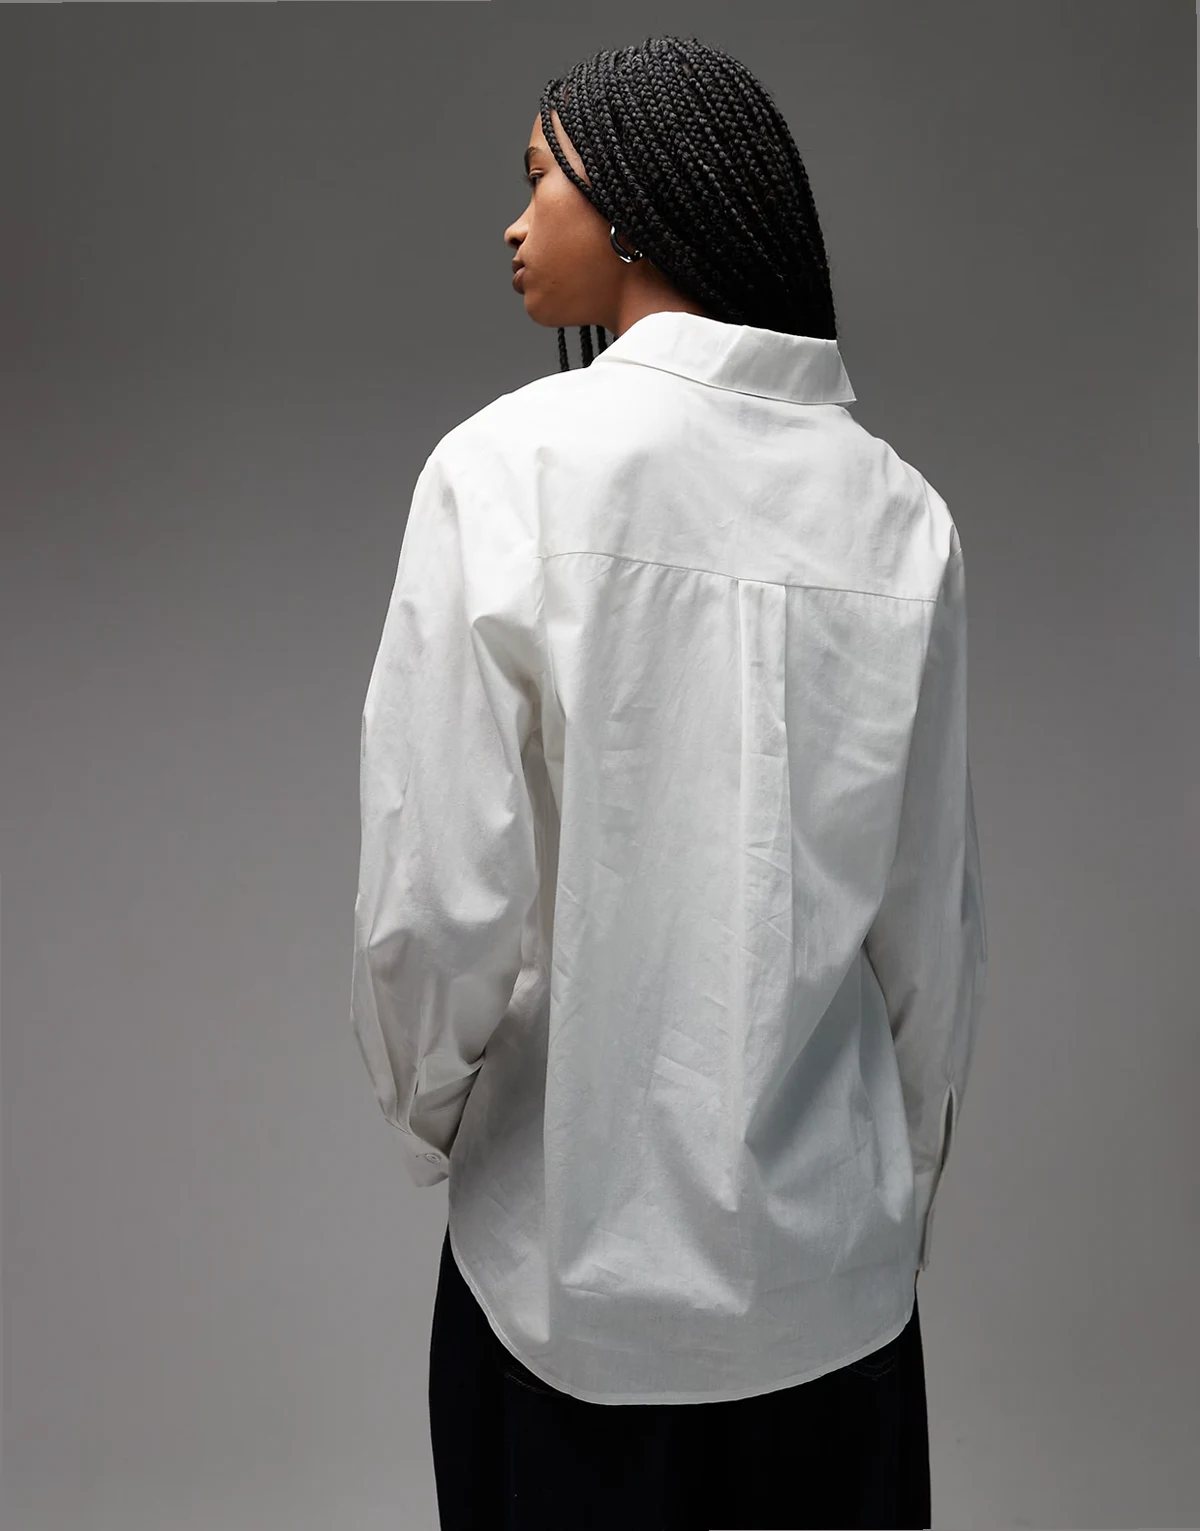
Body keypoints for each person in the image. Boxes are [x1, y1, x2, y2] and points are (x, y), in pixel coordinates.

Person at [351, 32, 987, 1531]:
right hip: (836, 1304)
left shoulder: (505, 471)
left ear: (636, 205)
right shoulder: (901, 515)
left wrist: (439, 1120)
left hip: (562, 1286)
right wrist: (885, 1195)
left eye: (540, 179)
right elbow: (930, 936)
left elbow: (436, 901)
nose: (514, 224)